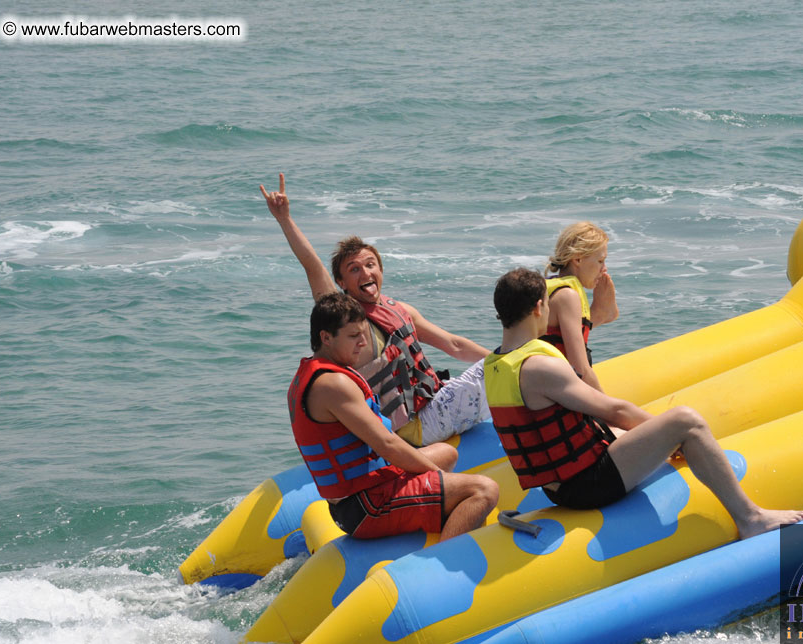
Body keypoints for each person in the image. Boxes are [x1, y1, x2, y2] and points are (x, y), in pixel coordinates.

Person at [483, 268, 803, 539]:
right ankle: (751, 518)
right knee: (686, 421)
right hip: (588, 485)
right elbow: (614, 411)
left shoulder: (497, 366)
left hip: (559, 488)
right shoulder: (541, 366)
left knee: (634, 431)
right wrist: (665, 432)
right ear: (539, 308)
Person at [262, 173, 490, 446]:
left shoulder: (399, 309)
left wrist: (504, 358)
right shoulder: (349, 319)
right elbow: (313, 267)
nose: (365, 272)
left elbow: (454, 345)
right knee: (511, 374)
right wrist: (284, 219)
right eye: (354, 269)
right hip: (415, 427)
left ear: (381, 270)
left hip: (434, 405)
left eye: (370, 265)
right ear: (341, 283)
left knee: (502, 366)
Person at [290, 292, 498, 541]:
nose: (363, 344)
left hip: (367, 488)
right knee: (484, 490)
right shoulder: (332, 384)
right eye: (354, 336)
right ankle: (443, 561)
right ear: (326, 338)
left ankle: (442, 512)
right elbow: (387, 444)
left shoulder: (310, 373)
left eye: (363, 334)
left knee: (447, 453)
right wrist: (440, 477)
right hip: (365, 506)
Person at [542, 222, 618, 392]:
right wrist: (609, 409)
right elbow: (580, 369)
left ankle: (597, 315)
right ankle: (599, 314)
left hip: (542, 390)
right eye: (600, 261)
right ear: (577, 259)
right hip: (555, 395)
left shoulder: (553, 287)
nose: (604, 269)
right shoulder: (567, 296)